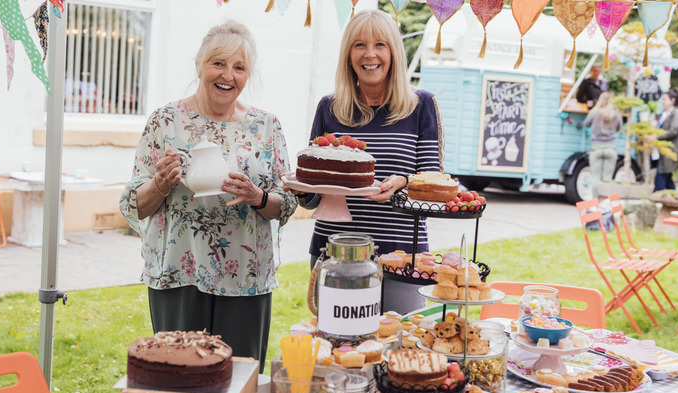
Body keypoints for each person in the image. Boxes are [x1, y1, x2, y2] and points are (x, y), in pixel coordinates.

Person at [119, 21, 297, 372]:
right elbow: (133, 204)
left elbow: (287, 202)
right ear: (199, 65)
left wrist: (258, 197)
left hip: (247, 278)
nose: (227, 75)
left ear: (248, 75)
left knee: (241, 382)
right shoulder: (165, 121)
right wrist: (160, 184)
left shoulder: (267, 125)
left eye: (239, 67)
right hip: (178, 274)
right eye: (218, 63)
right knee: (181, 378)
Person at [296, 9, 444, 315]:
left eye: (380, 45)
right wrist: (298, 190)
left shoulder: (421, 106)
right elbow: (312, 198)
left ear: (394, 52)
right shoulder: (330, 107)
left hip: (403, 256)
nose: (370, 54)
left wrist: (402, 182)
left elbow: (433, 186)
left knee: (399, 350)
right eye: (359, 45)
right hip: (334, 251)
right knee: (340, 349)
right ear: (348, 55)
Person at [582, 91, 622, 198]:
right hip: (611, 148)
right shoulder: (616, 114)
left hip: (596, 148)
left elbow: (586, 123)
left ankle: (595, 204)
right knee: (607, 179)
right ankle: (604, 206)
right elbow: (619, 128)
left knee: (596, 178)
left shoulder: (595, 112)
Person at [653, 88, 678, 192]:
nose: (662, 101)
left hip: (671, 149)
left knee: (662, 175)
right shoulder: (662, 113)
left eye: (664, 99)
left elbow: (674, 131)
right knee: (667, 178)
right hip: (660, 150)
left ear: (672, 100)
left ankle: (657, 195)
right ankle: (673, 198)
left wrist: (656, 136)